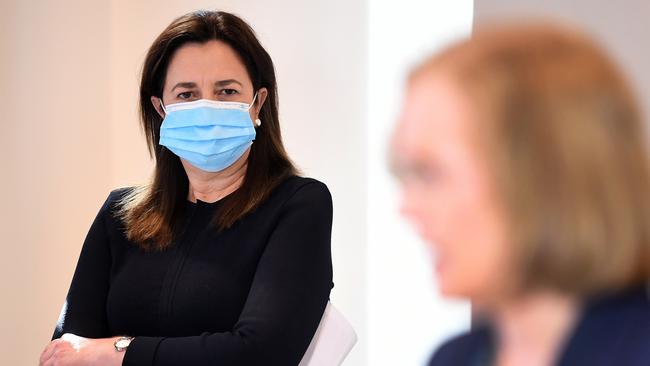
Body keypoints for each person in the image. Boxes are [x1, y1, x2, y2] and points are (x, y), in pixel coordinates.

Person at [39, 10, 333, 366]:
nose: (206, 107)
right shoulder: (119, 215)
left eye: (226, 91)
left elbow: (259, 353)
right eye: (186, 94)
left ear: (258, 102)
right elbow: (66, 353)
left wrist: (116, 351)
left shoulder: (298, 206)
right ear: (160, 108)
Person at [391, 23, 650, 366]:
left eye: (431, 174)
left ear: (545, 173)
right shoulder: (454, 358)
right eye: (407, 175)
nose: (407, 208)